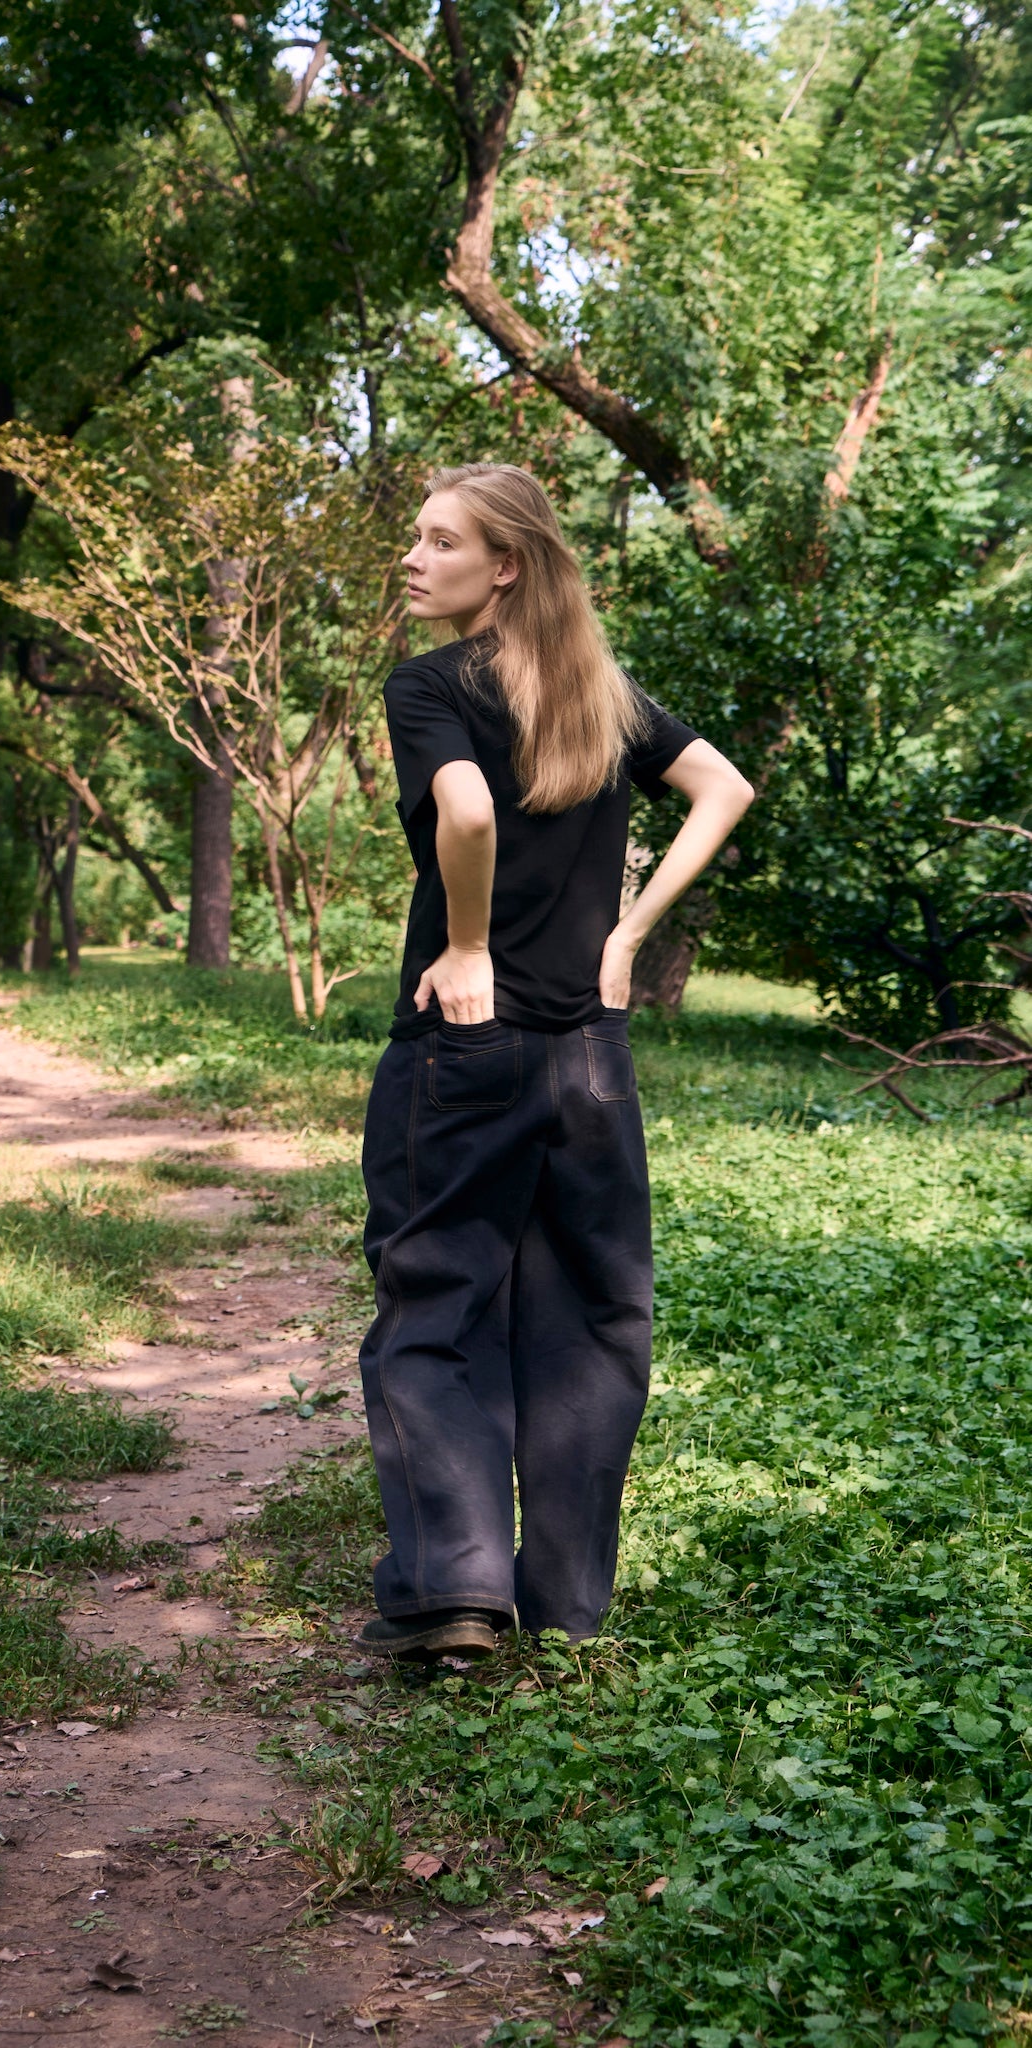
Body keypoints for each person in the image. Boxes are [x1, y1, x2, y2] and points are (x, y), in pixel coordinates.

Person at [355, 462, 754, 1663]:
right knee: (590, 1322)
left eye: (440, 541)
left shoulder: (430, 686)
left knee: (437, 1304)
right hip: (588, 1055)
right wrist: (627, 934)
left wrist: (466, 944)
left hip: (462, 1050)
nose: (413, 558)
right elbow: (721, 787)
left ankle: (454, 1595)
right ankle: (567, 1610)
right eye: (415, 538)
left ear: (507, 564)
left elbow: (465, 814)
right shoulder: (598, 692)